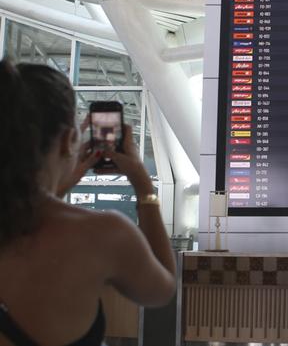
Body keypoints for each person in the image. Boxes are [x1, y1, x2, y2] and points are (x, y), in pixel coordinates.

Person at [0, 61, 176, 345]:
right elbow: (162, 289)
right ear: (68, 140)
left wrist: (58, 188)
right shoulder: (103, 233)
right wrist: (143, 184)